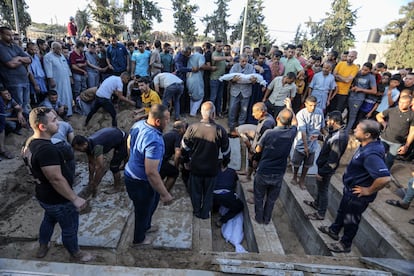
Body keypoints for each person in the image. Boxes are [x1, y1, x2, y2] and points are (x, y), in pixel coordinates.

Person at [26, 107, 92, 261]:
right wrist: (74, 198)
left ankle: (43, 245)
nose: (59, 123)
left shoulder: (30, 142)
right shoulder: (47, 150)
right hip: (59, 199)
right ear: (42, 127)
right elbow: (55, 178)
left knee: (48, 219)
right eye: (54, 121)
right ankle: (76, 254)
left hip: (44, 195)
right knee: (69, 228)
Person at [318, 120, 391, 253]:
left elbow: (385, 178)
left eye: (358, 129)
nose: (354, 130)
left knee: (351, 220)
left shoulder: (371, 154)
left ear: (367, 135)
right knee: (342, 212)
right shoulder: (368, 144)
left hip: (358, 195)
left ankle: (345, 244)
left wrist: (368, 190)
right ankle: (334, 230)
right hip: (351, 190)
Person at [124, 104, 173, 246]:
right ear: (158, 122)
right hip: (140, 182)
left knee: (151, 203)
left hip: (133, 173)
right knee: (142, 211)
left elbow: (128, 142)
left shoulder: (139, 124)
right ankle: (139, 239)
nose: (168, 122)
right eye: (167, 119)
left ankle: (146, 226)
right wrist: (165, 193)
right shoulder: (154, 141)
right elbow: (151, 172)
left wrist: (132, 159)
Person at [181, 101, 231, 219]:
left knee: (195, 192)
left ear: (201, 113)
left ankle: (197, 211)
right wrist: (225, 163)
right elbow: (226, 151)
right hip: (212, 169)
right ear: (213, 114)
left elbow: (184, 147)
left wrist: (186, 161)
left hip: (196, 167)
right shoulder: (220, 130)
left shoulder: (192, 128)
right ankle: (205, 214)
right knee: (208, 194)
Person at [253, 100, 298, 224]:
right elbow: (295, 122)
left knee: (259, 197)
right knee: (271, 199)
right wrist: (290, 107)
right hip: (278, 172)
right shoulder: (291, 133)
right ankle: (267, 219)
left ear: (277, 118)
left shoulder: (269, 133)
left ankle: (259, 218)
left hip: (264, 170)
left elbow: (258, 149)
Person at [304, 111, 349, 220]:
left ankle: (321, 213)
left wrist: (322, 172)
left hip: (326, 168)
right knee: (320, 189)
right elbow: (329, 142)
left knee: (323, 190)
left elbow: (333, 160)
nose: (327, 122)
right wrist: (319, 137)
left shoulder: (339, 137)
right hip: (323, 166)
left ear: (333, 121)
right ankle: (316, 203)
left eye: (328, 120)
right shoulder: (336, 132)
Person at [72, 127, 128, 197]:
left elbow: (101, 167)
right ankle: (125, 164)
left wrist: (95, 184)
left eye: (78, 149)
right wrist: (90, 179)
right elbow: (91, 163)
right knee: (120, 155)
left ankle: (117, 187)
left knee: (114, 166)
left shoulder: (97, 146)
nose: (78, 151)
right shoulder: (87, 144)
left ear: (84, 144)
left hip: (124, 139)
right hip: (115, 136)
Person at [291, 96, 325, 189]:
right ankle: (294, 176)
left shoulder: (319, 112)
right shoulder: (301, 114)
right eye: (310, 105)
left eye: (314, 105)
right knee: (297, 162)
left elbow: (322, 127)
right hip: (302, 142)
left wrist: (326, 137)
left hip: (313, 143)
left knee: (308, 164)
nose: (312, 107)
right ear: (306, 104)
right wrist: (305, 147)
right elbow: (303, 132)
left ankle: (302, 180)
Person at [237, 102, 276, 181]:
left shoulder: (266, 124)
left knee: (257, 167)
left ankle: (257, 187)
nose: (252, 114)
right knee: (251, 161)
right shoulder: (264, 119)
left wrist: (256, 157)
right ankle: (248, 177)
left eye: (255, 112)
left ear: (262, 112)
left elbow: (262, 143)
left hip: (262, 151)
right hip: (256, 146)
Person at [376, 95, 414, 169]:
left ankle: (384, 173)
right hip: (384, 138)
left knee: (390, 160)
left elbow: (412, 132)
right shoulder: (392, 110)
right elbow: (379, 116)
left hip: (397, 143)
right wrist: (383, 123)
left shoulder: (412, 115)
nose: (401, 104)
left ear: (410, 104)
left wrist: (406, 146)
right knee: (377, 155)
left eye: (404, 103)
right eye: (400, 102)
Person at [0, 26, 32, 114]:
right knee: (18, 106)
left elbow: (29, 59)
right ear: (1, 34)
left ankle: (27, 123)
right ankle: (19, 125)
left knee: (26, 104)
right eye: (8, 35)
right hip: (13, 82)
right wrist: (22, 59)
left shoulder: (15, 46)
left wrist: (18, 58)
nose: (11, 37)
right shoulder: (1, 48)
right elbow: (11, 64)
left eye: (11, 35)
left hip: (24, 80)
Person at [228, 54, 256, 135]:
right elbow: (229, 78)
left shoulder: (251, 67)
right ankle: (231, 126)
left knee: (244, 111)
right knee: (232, 109)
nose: (244, 63)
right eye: (242, 61)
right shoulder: (235, 67)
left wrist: (253, 80)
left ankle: (241, 127)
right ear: (239, 60)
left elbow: (254, 79)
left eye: (246, 61)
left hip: (246, 92)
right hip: (235, 91)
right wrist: (233, 79)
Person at [345, 62, 377, 133]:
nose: (363, 71)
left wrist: (361, 90)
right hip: (350, 95)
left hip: (358, 99)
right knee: (348, 113)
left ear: (369, 70)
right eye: (362, 69)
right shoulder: (358, 73)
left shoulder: (371, 78)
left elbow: (374, 91)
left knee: (353, 115)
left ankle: (347, 131)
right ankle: (346, 127)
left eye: (365, 70)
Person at [43, 42, 73, 117]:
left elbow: (66, 67)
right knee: (58, 96)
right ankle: (59, 114)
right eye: (58, 49)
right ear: (53, 49)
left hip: (65, 80)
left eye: (60, 48)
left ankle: (68, 112)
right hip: (56, 81)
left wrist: (70, 76)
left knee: (67, 95)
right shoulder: (48, 57)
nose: (60, 50)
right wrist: (51, 79)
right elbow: (48, 69)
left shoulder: (61, 56)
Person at [213, 160, 244, 227]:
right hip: (227, 195)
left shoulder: (213, 171)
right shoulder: (232, 171)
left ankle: (214, 210)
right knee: (239, 206)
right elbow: (234, 181)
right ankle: (222, 220)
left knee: (217, 199)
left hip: (213, 195)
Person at [160, 120, 186, 191]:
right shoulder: (178, 136)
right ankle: (165, 192)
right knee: (174, 172)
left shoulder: (168, 134)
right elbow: (177, 153)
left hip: (156, 160)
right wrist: (176, 166)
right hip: (161, 161)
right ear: (181, 129)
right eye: (184, 128)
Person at [210, 40, 233, 117]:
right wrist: (226, 57)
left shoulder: (222, 53)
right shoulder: (214, 53)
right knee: (213, 97)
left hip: (222, 78)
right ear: (215, 46)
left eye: (221, 46)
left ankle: (218, 112)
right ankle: (210, 114)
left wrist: (229, 64)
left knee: (220, 97)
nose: (220, 47)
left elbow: (223, 65)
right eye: (219, 46)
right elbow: (215, 58)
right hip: (214, 78)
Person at [186, 46, 206, 117]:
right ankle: (193, 112)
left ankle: (192, 111)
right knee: (200, 96)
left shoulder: (190, 57)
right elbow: (202, 66)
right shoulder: (200, 56)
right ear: (201, 51)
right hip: (197, 78)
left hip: (189, 78)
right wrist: (211, 68)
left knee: (192, 96)